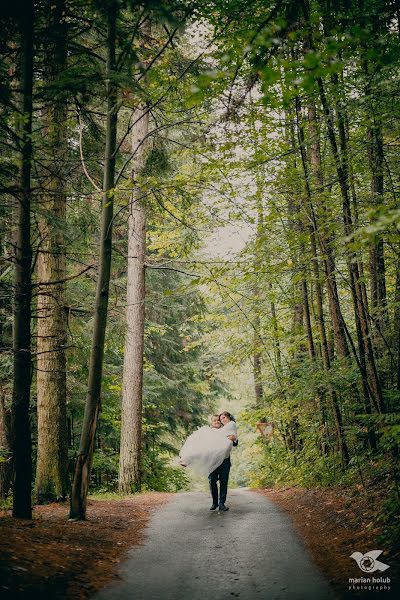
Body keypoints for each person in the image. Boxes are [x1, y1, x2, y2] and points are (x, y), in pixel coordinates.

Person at [208, 411, 237, 512]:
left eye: (218, 420)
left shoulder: (226, 429)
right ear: (211, 422)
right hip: (212, 461)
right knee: (212, 481)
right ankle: (214, 502)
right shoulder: (207, 432)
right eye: (214, 420)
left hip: (225, 461)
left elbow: (234, 442)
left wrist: (234, 439)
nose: (217, 422)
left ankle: (221, 504)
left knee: (224, 482)